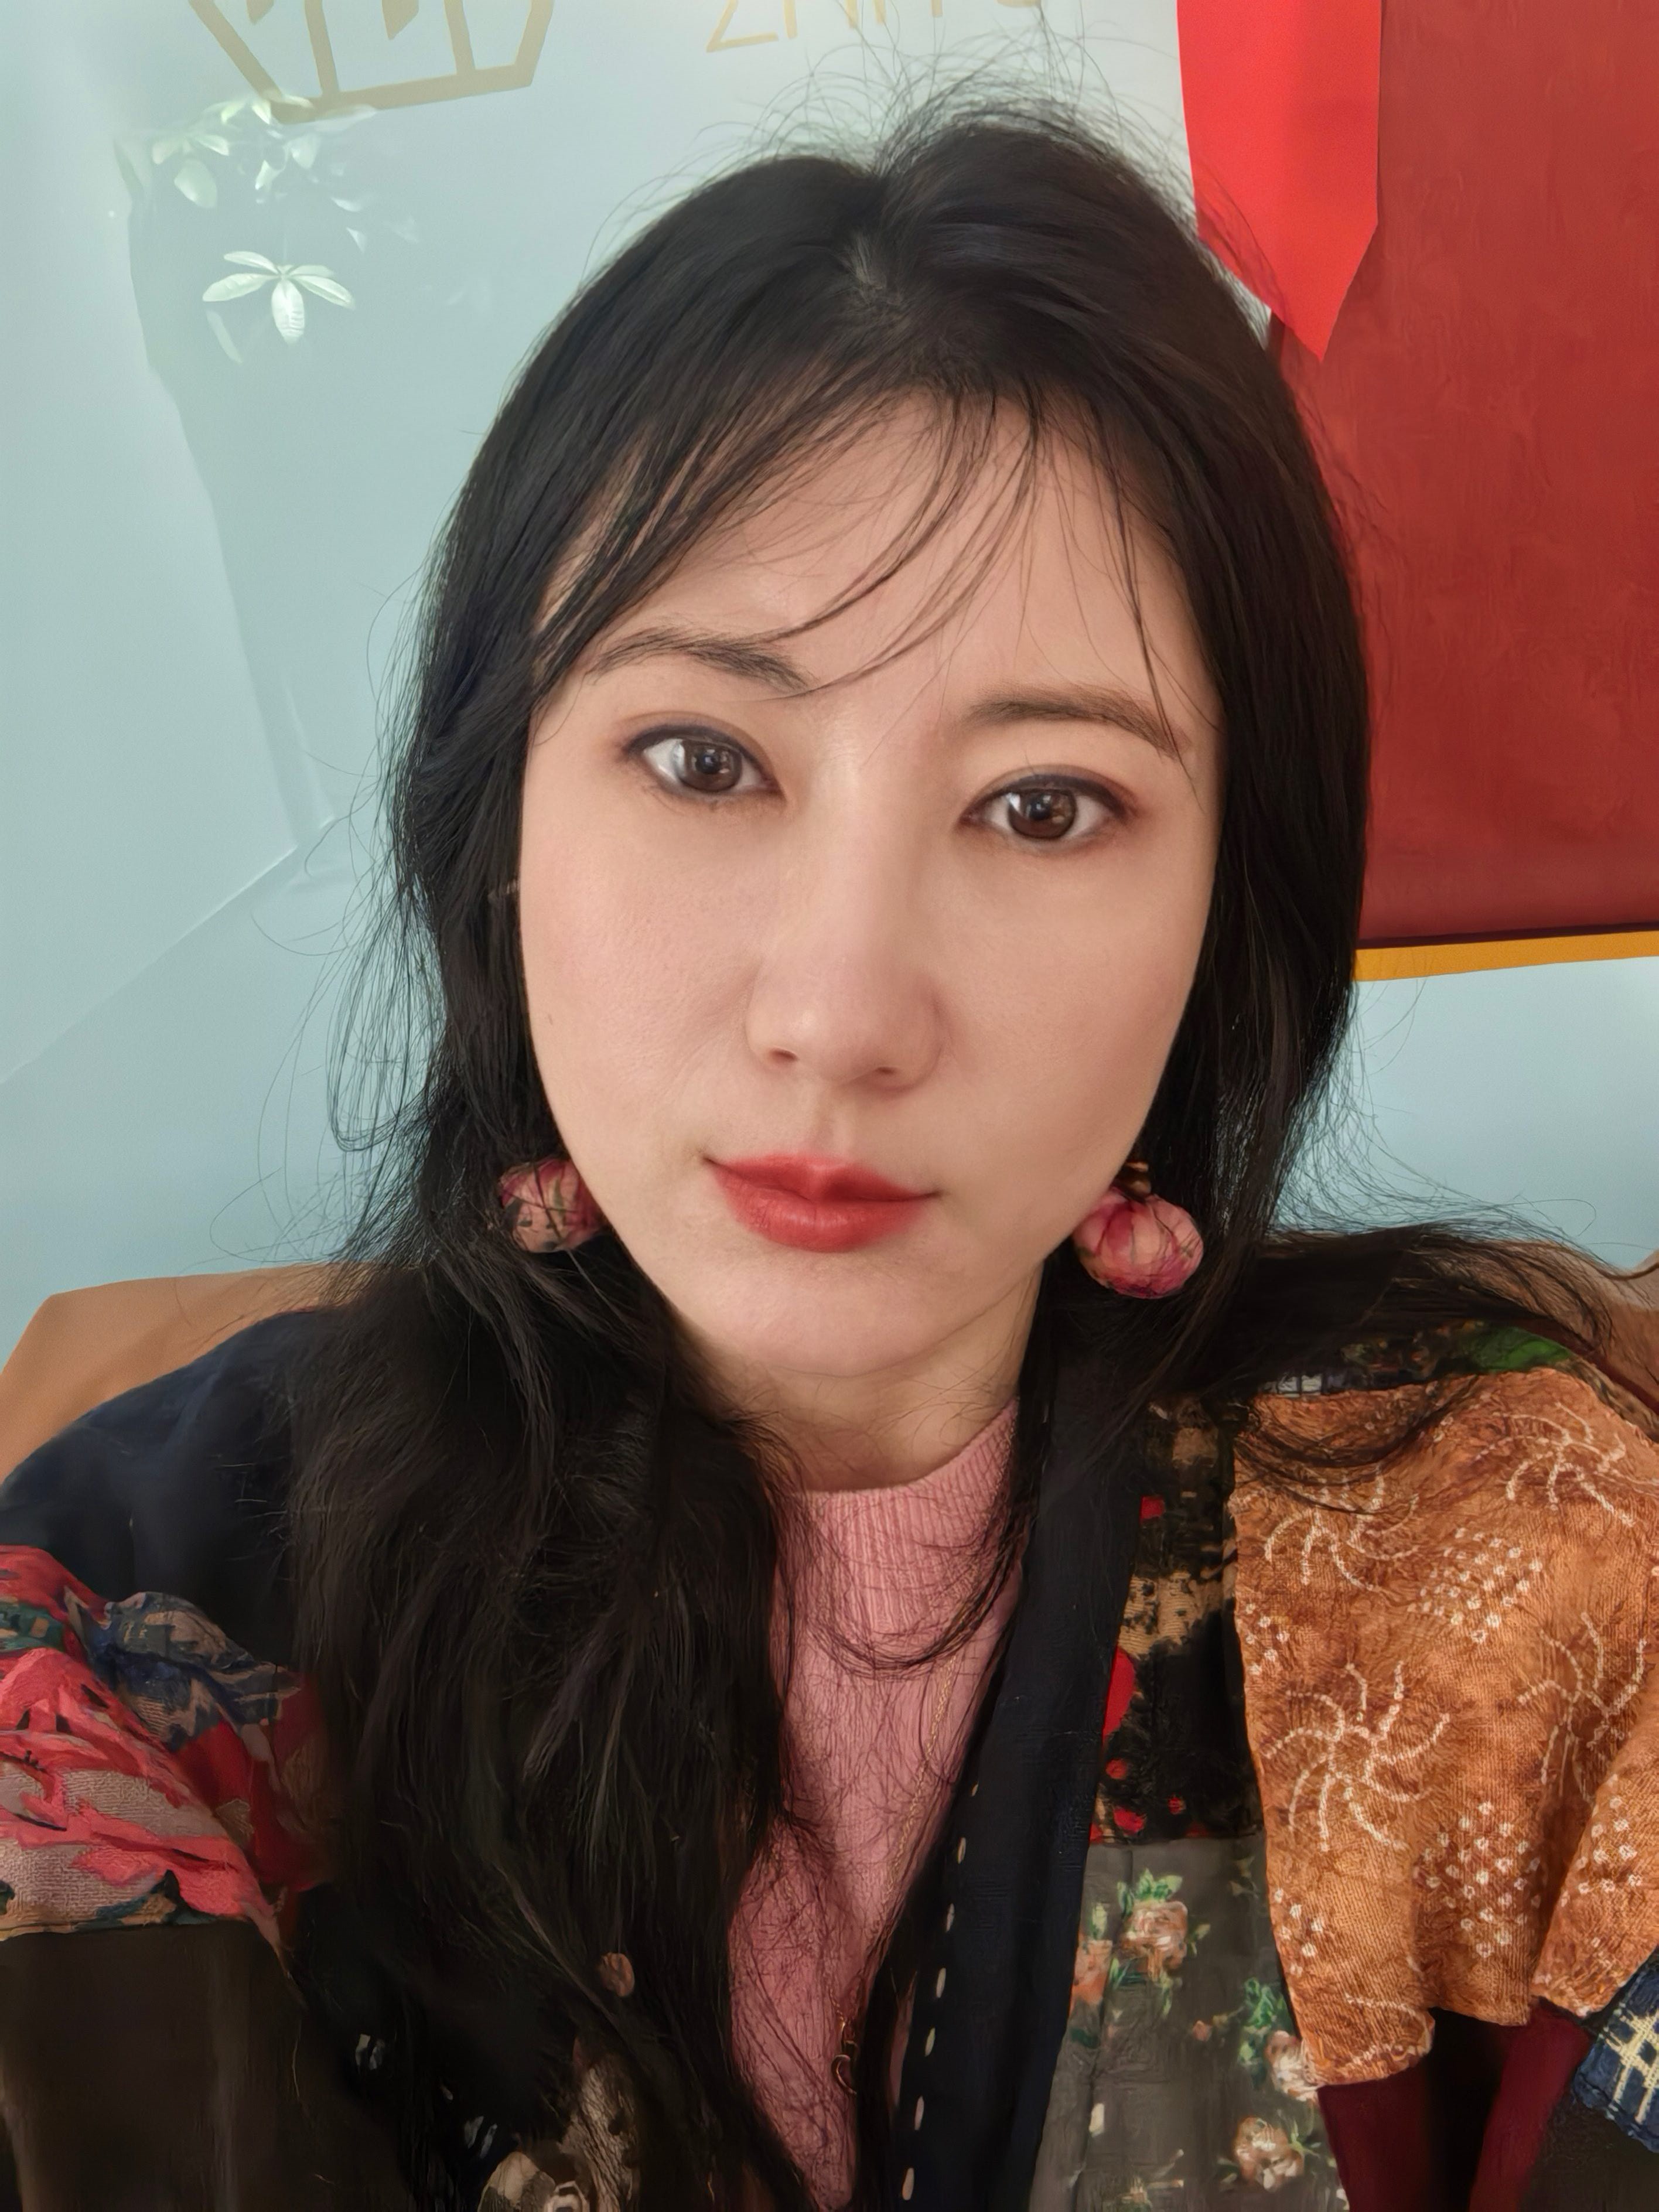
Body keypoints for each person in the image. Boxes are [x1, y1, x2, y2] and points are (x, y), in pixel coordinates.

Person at [0, 105, 1654, 2212]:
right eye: (705, 761)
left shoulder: (1525, 1577)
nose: (845, 1010)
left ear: (1224, 919)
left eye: (1045, 806)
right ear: (502, 835)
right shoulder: (129, 1616)